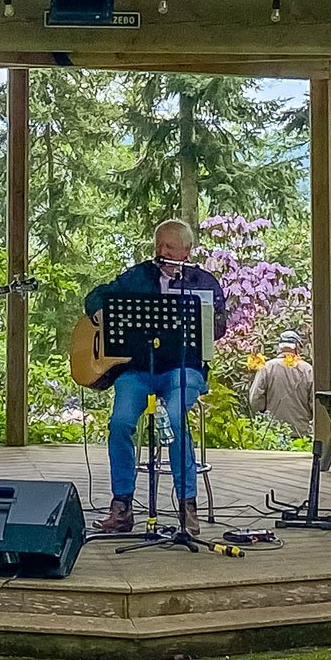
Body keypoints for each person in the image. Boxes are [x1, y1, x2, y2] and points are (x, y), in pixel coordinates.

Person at [83, 218, 228, 536]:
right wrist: (98, 311)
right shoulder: (138, 275)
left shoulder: (203, 282)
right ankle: (122, 505)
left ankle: (188, 504)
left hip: (183, 369)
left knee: (176, 419)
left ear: (186, 250)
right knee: (120, 423)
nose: (161, 250)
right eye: (159, 244)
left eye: (169, 245)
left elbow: (219, 327)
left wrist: (204, 316)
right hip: (138, 370)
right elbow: (96, 296)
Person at [249, 330, 315, 437]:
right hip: (300, 431)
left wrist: (263, 415)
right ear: (297, 348)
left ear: (279, 348)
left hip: (273, 432)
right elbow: (314, 402)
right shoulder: (307, 369)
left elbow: (255, 399)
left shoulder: (267, 367)